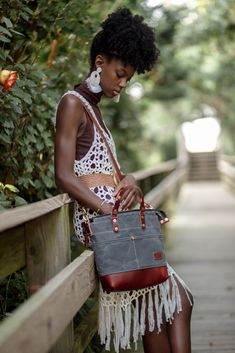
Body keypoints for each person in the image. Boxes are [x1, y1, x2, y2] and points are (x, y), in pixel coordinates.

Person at [54, 7, 193, 353]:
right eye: (119, 74)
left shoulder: (93, 110)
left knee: (169, 307)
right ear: (99, 62)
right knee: (174, 303)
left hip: (116, 221)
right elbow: (64, 175)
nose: (122, 84)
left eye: (128, 78)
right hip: (104, 225)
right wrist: (107, 209)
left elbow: (104, 171)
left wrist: (128, 177)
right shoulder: (72, 104)